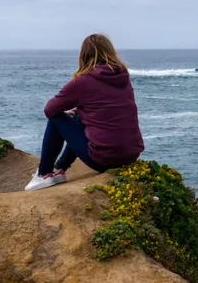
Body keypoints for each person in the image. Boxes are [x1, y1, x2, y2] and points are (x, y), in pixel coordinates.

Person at [25, 34, 145, 191]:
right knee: (80, 114)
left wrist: (69, 112)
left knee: (56, 118)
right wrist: (78, 110)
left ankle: (44, 174)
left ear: (84, 55)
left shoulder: (83, 81)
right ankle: (60, 169)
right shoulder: (123, 77)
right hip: (130, 156)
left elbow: (49, 110)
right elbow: (105, 107)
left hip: (104, 160)